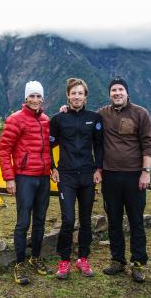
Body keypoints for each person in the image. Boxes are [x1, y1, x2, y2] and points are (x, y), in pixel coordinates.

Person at [99, 76, 151, 283]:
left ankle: (138, 263)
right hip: (110, 175)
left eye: (120, 89)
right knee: (113, 220)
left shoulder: (141, 113)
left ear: (127, 92)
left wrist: (146, 171)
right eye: (113, 90)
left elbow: (148, 144)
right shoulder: (102, 114)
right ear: (109, 94)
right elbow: (84, 122)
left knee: (136, 221)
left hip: (134, 176)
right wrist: (65, 110)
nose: (117, 93)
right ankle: (117, 260)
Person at [0, 80, 53, 285]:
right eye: (32, 96)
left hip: (43, 177)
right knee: (23, 222)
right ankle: (19, 263)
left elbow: (48, 148)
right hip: (24, 177)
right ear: (26, 98)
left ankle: (35, 257)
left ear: (42, 98)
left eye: (39, 96)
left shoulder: (46, 120)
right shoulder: (15, 120)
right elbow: (4, 150)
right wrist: (9, 178)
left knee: (40, 220)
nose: (36, 100)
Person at [50, 78, 103, 279]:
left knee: (86, 220)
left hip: (88, 175)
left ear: (85, 96)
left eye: (80, 93)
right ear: (68, 96)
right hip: (67, 176)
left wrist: (99, 169)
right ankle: (64, 261)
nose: (77, 96)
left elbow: (99, 146)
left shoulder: (95, 118)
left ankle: (83, 258)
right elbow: (48, 145)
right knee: (68, 220)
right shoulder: (59, 119)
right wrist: (51, 167)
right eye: (74, 93)